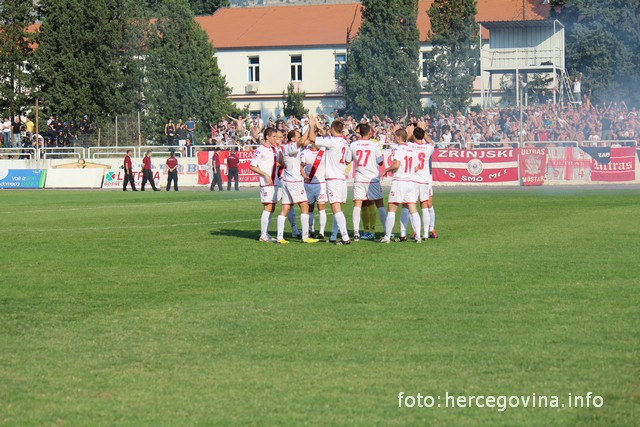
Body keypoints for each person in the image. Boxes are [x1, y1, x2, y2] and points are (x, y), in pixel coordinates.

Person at [274, 125, 319, 244]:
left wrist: (312, 128)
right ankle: (305, 236)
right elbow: (303, 141)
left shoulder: (292, 147)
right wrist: (309, 125)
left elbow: (309, 140)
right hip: (294, 182)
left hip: (289, 181)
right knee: (304, 206)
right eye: (297, 136)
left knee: (285, 208)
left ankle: (279, 237)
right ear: (293, 139)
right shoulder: (290, 148)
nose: (300, 138)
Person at [310, 118, 351, 245]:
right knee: (337, 208)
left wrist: (312, 125)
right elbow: (348, 160)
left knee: (335, 207)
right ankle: (334, 236)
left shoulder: (332, 141)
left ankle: (345, 237)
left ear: (333, 129)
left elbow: (312, 138)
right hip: (341, 178)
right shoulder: (345, 142)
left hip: (333, 179)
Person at [344, 122, 386, 241]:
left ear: (359, 132)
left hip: (359, 179)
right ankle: (387, 231)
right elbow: (380, 162)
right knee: (379, 204)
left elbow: (347, 161)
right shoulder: (374, 145)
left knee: (357, 204)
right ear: (370, 132)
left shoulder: (353, 145)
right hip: (372, 179)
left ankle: (356, 232)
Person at [380, 126, 422, 243]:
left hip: (399, 181)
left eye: (395, 137)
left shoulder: (398, 149)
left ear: (399, 138)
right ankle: (418, 236)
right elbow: (417, 167)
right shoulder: (412, 150)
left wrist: (386, 170)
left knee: (392, 209)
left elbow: (397, 164)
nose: (394, 139)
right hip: (410, 182)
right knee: (413, 209)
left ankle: (387, 237)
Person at [249, 127, 278, 242]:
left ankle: (266, 233)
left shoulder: (273, 149)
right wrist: (265, 174)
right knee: (267, 207)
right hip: (266, 183)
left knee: (272, 207)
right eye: (274, 136)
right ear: (267, 137)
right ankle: (263, 235)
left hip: (275, 182)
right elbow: (252, 166)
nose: (275, 138)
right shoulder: (261, 150)